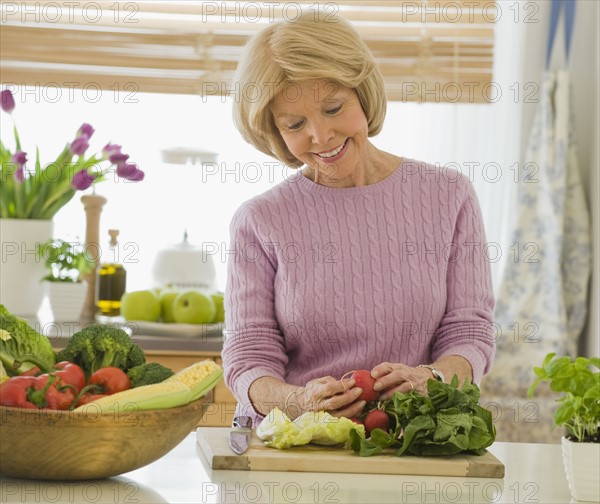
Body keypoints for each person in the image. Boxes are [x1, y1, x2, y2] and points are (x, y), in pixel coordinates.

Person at [222, 11, 495, 426]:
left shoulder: (448, 196)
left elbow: (469, 332)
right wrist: (300, 401)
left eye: (334, 108)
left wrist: (432, 379)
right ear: (276, 133)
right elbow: (249, 357)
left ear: (362, 94)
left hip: (417, 438)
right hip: (301, 446)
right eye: (295, 124)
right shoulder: (260, 220)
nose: (321, 136)